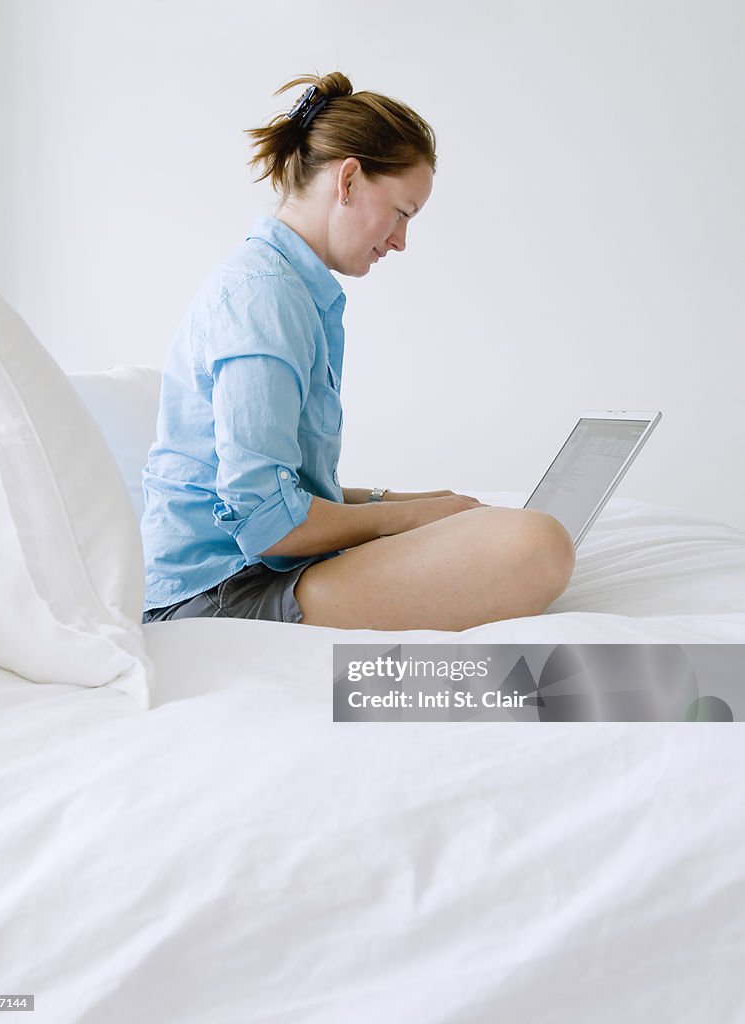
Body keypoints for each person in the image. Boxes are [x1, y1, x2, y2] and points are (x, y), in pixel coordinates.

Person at [141, 71, 575, 630]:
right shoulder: (262, 298)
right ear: (348, 180)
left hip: (256, 571)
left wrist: (396, 501)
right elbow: (268, 522)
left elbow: (276, 487)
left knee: (490, 525)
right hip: (220, 593)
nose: (400, 241)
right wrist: (409, 517)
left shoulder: (289, 289)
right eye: (403, 212)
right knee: (534, 544)